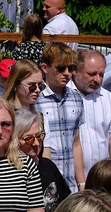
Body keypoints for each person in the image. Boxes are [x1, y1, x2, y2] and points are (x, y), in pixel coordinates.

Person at [37, 42, 86, 193]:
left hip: (70, 184)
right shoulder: (35, 98)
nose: (67, 73)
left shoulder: (76, 97)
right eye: (60, 68)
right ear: (45, 68)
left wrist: (81, 183)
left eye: (71, 68)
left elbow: (76, 143)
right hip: (43, 183)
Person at [74, 49, 111, 177]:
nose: (97, 80)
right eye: (92, 74)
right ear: (75, 70)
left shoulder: (109, 99)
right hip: (71, 178)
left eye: (101, 74)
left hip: (101, 178)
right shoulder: (63, 97)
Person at [15, 108, 70, 212]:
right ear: (14, 140)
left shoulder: (48, 166)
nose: (36, 143)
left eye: (39, 136)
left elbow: (65, 203)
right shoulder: (12, 172)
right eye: (29, 139)